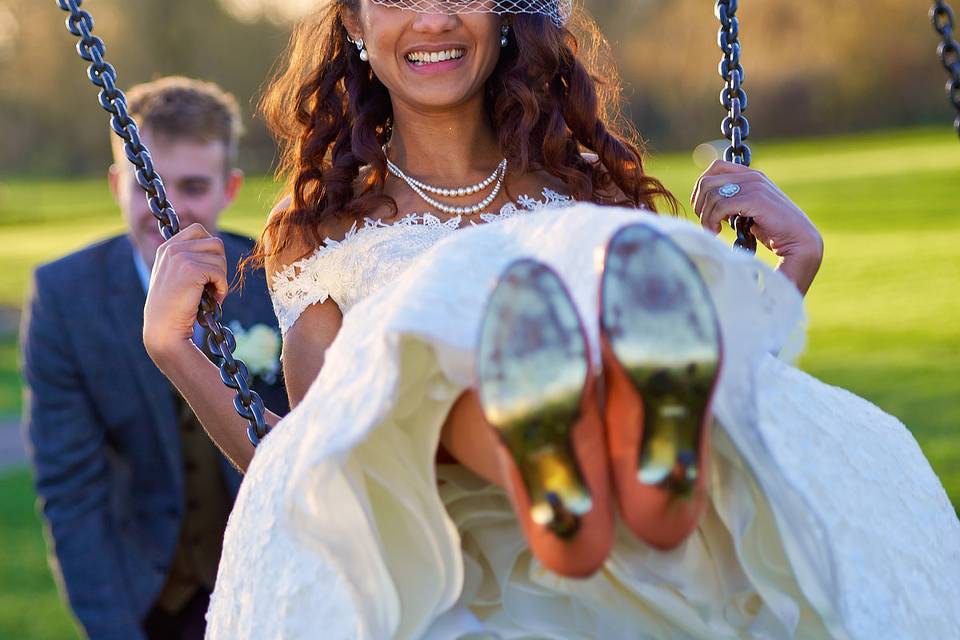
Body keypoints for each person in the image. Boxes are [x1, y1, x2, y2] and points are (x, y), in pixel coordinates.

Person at [144, 3, 960, 639]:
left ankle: (637, 476)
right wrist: (177, 350)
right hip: (451, 542)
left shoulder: (585, 190)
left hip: (628, 539)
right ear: (355, 23)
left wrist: (791, 270)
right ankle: (543, 465)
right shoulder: (324, 227)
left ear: (505, 14)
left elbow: (719, 375)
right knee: (442, 345)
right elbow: (313, 461)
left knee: (605, 320)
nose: (433, 17)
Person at [20, 76, 289, 640]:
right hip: (148, 600)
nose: (164, 210)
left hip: (277, 587)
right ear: (117, 182)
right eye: (147, 185)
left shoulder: (277, 282)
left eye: (191, 185)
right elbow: (71, 491)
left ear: (229, 188)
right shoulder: (64, 298)